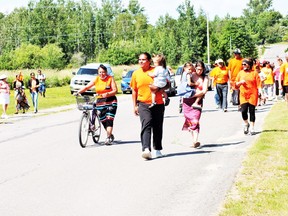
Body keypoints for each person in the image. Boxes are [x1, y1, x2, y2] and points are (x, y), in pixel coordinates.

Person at [130, 52, 167, 159]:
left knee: (157, 126)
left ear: (149, 61)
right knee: (146, 124)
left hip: (158, 103)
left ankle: (157, 149)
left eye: (143, 59)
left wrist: (159, 89)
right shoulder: (136, 73)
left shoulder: (156, 70)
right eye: (139, 59)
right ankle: (146, 149)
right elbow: (134, 90)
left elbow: (167, 83)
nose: (141, 61)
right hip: (143, 103)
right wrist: (134, 106)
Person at [76, 64, 118, 145]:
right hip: (100, 101)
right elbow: (86, 87)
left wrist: (108, 94)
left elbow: (115, 90)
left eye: (103, 72)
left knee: (109, 119)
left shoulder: (110, 79)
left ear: (106, 72)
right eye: (100, 72)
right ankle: (110, 134)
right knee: (102, 119)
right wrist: (78, 92)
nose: (102, 74)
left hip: (111, 101)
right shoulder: (96, 79)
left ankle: (108, 137)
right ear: (98, 73)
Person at [182, 61, 209, 148]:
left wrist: (193, 95)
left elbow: (204, 90)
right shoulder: (190, 75)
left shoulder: (205, 78)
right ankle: (193, 140)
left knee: (195, 120)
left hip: (197, 101)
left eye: (201, 70)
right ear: (195, 68)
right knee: (190, 121)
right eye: (197, 69)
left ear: (203, 69)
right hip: (187, 101)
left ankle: (195, 141)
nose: (199, 71)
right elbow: (184, 86)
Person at [235, 58, 262, 135]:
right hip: (243, 94)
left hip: (253, 94)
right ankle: (246, 124)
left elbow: (259, 84)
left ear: (249, 65)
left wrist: (260, 92)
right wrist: (240, 82)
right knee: (243, 111)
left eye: (245, 64)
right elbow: (236, 84)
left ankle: (252, 128)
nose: (243, 66)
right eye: (242, 64)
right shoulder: (240, 73)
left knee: (252, 111)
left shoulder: (254, 73)